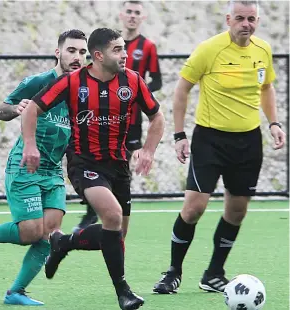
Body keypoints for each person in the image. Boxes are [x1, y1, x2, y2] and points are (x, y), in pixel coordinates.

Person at [21, 28, 165, 310]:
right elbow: (31, 110)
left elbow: (157, 115)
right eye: (117, 50)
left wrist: (148, 150)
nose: (125, 54)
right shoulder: (73, 82)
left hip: (118, 165)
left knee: (117, 236)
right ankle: (123, 292)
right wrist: (30, 145)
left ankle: (63, 243)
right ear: (98, 55)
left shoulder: (132, 80)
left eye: (124, 48)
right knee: (111, 216)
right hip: (84, 163)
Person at [153, 0, 286, 295]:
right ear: (228, 19)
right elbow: (181, 90)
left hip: (248, 142)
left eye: (251, 18)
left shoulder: (262, 50)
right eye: (240, 18)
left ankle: (214, 273)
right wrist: (179, 135)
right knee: (194, 207)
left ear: (257, 21)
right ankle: (173, 272)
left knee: (237, 211)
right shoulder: (209, 49)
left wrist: (274, 123)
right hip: (210, 140)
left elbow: (266, 88)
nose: (245, 24)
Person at [0, 29, 88, 306]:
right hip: (25, 167)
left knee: (49, 233)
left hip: (53, 171)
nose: (77, 57)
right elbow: (0, 110)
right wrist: (17, 108)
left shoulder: (82, 91)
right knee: (30, 232)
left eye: (82, 52)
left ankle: (16, 292)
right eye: (71, 50)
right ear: (58, 53)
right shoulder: (38, 82)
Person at [73, 0, 162, 232]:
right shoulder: (109, 43)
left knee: (122, 163)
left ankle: (114, 213)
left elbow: (158, 80)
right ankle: (94, 211)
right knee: (95, 158)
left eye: (137, 13)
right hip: (98, 118)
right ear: (122, 15)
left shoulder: (148, 47)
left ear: (143, 18)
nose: (132, 16)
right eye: (129, 12)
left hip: (131, 119)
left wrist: (134, 94)